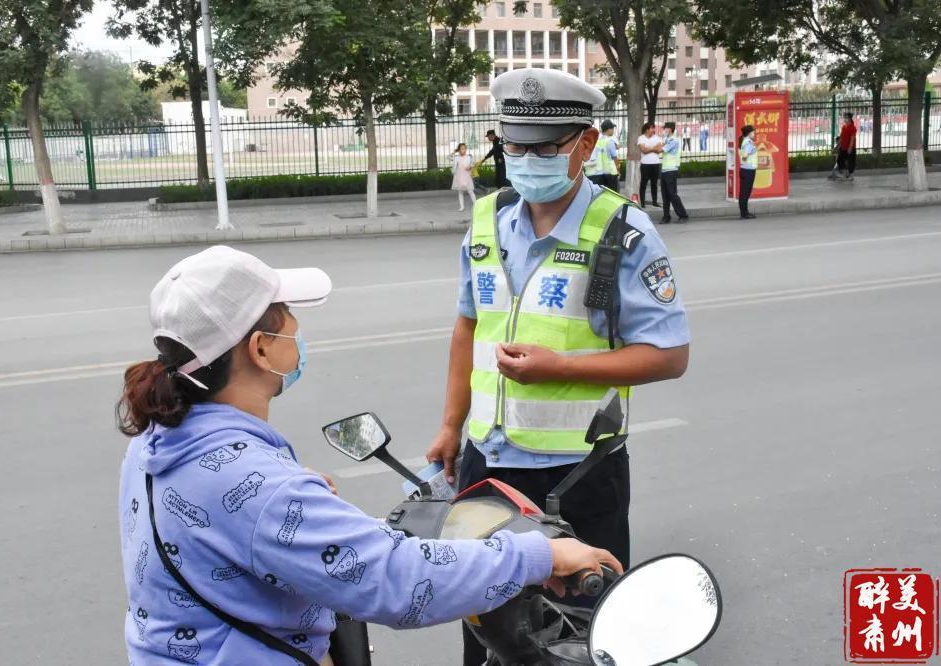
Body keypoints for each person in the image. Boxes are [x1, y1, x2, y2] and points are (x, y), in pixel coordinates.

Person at [117, 245, 621, 665]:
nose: (298, 329)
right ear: (262, 349)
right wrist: (542, 555)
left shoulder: (153, 444)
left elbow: (216, 524)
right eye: (288, 318)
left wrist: (287, 495)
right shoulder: (264, 487)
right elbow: (397, 580)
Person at [424, 68, 691, 666]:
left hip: (579, 472)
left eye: (545, 147)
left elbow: (670, 355)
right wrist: (451, 424)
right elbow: (468, 326)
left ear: (586, 144)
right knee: (484, 622)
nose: (525, 159)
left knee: (581, 634)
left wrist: (560, 366)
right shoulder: (487, 219)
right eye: (513, 145)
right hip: (486, 463)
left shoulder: (623, 232)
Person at [659, 122, 689, 224]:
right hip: (664, 169)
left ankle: (683, 215)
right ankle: (666, 216)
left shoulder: (674, 140)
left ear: (670, 129)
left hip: (671, 170)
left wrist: (648, 149)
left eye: (665, 129)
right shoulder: (666, 139)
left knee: (672, 194)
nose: (664, 130)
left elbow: (660, 149)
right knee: (665, 195)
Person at [583, 119, 621, 192]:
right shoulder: (609, 141)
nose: (613, 130)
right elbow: (614, 157)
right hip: (609, 172)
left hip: (597, 173)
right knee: (613, 194)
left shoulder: (598, 141)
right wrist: (618, 169)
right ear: (608, 129)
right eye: (612, 128)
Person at [637, 122, 663, 207]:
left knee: (654, 184)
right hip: (645, 164)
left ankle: (654, 202)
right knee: (643, 183)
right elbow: (643, 150)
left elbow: (659, 150)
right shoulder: (641, 138)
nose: (654, 130)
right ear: (647, 129)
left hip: (656, 164)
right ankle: (643, 203)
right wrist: (653, 148)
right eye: (652, 128)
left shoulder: (657, 138)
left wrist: (648, 148)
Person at [829, 112, 857, 181]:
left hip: (850, 148)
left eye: (847, 118)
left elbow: (852, 138)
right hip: (843, 148)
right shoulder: (844, 127)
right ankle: (844, 174)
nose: (845, 119)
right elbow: (841, 138)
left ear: (850, 119)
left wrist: (850, 148)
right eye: (844, 118)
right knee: (840, 160)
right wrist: (837, 147)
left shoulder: (852, 127)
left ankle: (851, 175)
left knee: (851, 161)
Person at [739, 124, 757, 219]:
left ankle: (744, 212)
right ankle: (744, 213)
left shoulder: (744, 141)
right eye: (753, 131)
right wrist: (746, 157)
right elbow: (745, 155)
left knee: (744, 192)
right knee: (745, 193)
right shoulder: (748, 143)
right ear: (749, 133)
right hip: (748, 170)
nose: (754, 133)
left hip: (745, 169)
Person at [452, 143, 476, 211]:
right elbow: (449, 157)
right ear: (459, 150)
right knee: (460, 192)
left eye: (465, 148)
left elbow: (473, 163)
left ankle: (475, 204)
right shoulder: (456, 157)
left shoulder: (469, 156)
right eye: (462, 149)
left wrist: (470, 166)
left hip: (467, 176)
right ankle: (462, 207)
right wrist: (454, 152)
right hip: (459, 176)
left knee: (470, 191)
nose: (464, 150)